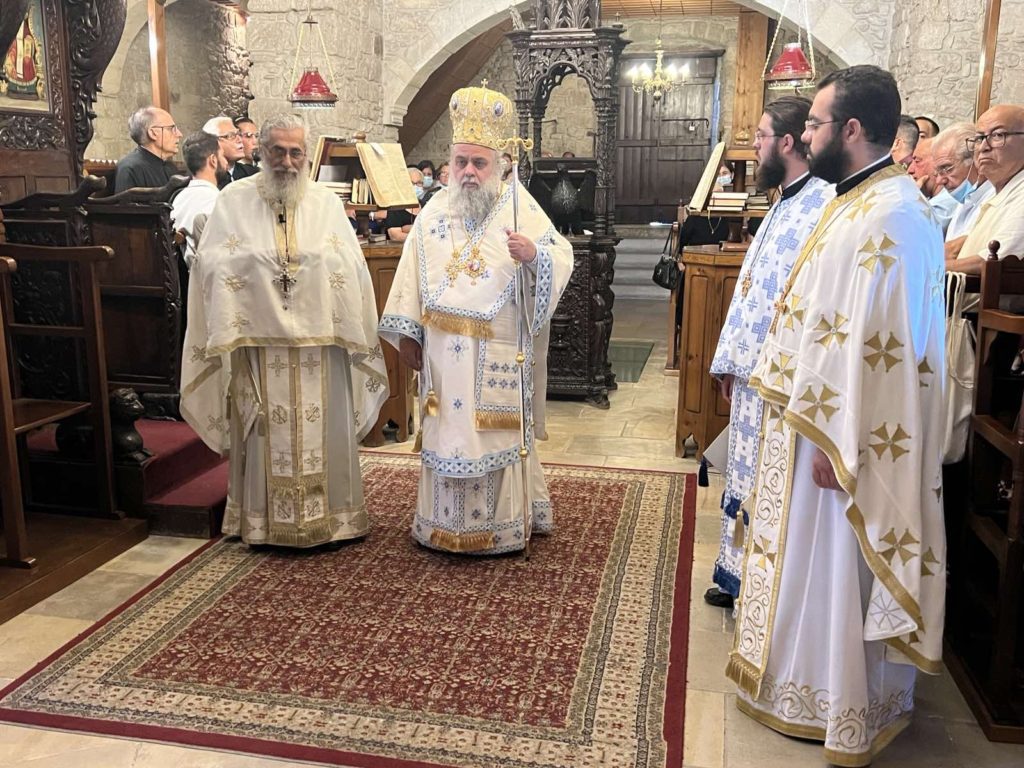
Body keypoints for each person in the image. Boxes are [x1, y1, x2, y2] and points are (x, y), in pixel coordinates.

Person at [727, 65, 946, 766]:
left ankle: (835, 698)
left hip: (844, 439)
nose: (808, 135)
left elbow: (883, 348)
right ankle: (801, 684)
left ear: (850, 129)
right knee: (807, 565)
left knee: (832, 568)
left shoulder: (893, 215)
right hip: (813, 423)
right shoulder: (855, 202)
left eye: (816, 124)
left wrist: (841, 443)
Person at [379, 82, 574, 555]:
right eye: (461, 162)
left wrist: (533, 256)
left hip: (498, 350)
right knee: (446, 430)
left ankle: (501, 528)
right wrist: (409, 336)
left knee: (492, 435)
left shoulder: (520, 208)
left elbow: (560, 256)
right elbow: (410, 276)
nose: (468, 172)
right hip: (442, 358)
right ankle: (439, 524)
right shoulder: (432, 213)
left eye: (479, 163)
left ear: (501, 164)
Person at [180, 113, 388, 548]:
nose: (287, 162)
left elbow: (349, 266)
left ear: (306, 155)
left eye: (296, 152)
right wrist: (259, 273)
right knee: (262, 430)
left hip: (322, 344)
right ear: (261, 152)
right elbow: (211, 265)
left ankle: (336, 518)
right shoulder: (233, 200)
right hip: (258, 345)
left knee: (325, 429)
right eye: (278, 151)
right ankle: (260, 522)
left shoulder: (326, 203)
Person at [704, 96, 833, 610]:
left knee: (768, 482)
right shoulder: (784, 200)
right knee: (745, 473)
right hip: (752, 370)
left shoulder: (821, 204)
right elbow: (751, 292)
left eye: (761, 137)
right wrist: (730, 362)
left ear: (787, 142)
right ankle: (736, 574)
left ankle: (763, 586)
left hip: (780, 378)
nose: (755, 146)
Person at [949, 104, 1024, 274]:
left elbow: (993, 261)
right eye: (979, 138)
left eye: (998, 135)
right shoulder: (1000, 191)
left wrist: (930, 268)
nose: (983, 147)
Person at [931, 122, 995, 258]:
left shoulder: (994, 197)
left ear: (975, 159)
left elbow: (956, 250)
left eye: (946, 169)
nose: (940, 181)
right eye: (937, 172)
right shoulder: (966, 200)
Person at [170, 132, 230, 268]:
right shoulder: (217, 201)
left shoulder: (178, 198)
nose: (226, 162)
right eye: (223, 156)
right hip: (209, 275)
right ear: (213, 160)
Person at [113, 106, 181, 192]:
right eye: (171, 129)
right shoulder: (130, 169)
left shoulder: (171, 167)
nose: (179, 134)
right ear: (152, 133)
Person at [907, 135, 958, 233]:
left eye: (917, 161)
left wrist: (912, 198)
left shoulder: (946, 202)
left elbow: (911, 233)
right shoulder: (930, 199)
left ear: (938, 162)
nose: (910, 170)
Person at [203, 115, 256, 186]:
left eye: (238, 134)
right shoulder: (204, 180)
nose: (239, 140)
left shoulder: (253, 174)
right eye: (231, 136)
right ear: (213, 141)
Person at [385, 167, 424, 242]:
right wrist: (421, 237)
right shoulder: (395, 208)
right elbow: (395, 236)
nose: (415, 186)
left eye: (419, 183)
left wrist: (405, 229)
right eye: (411, 183)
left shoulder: (426, 206)